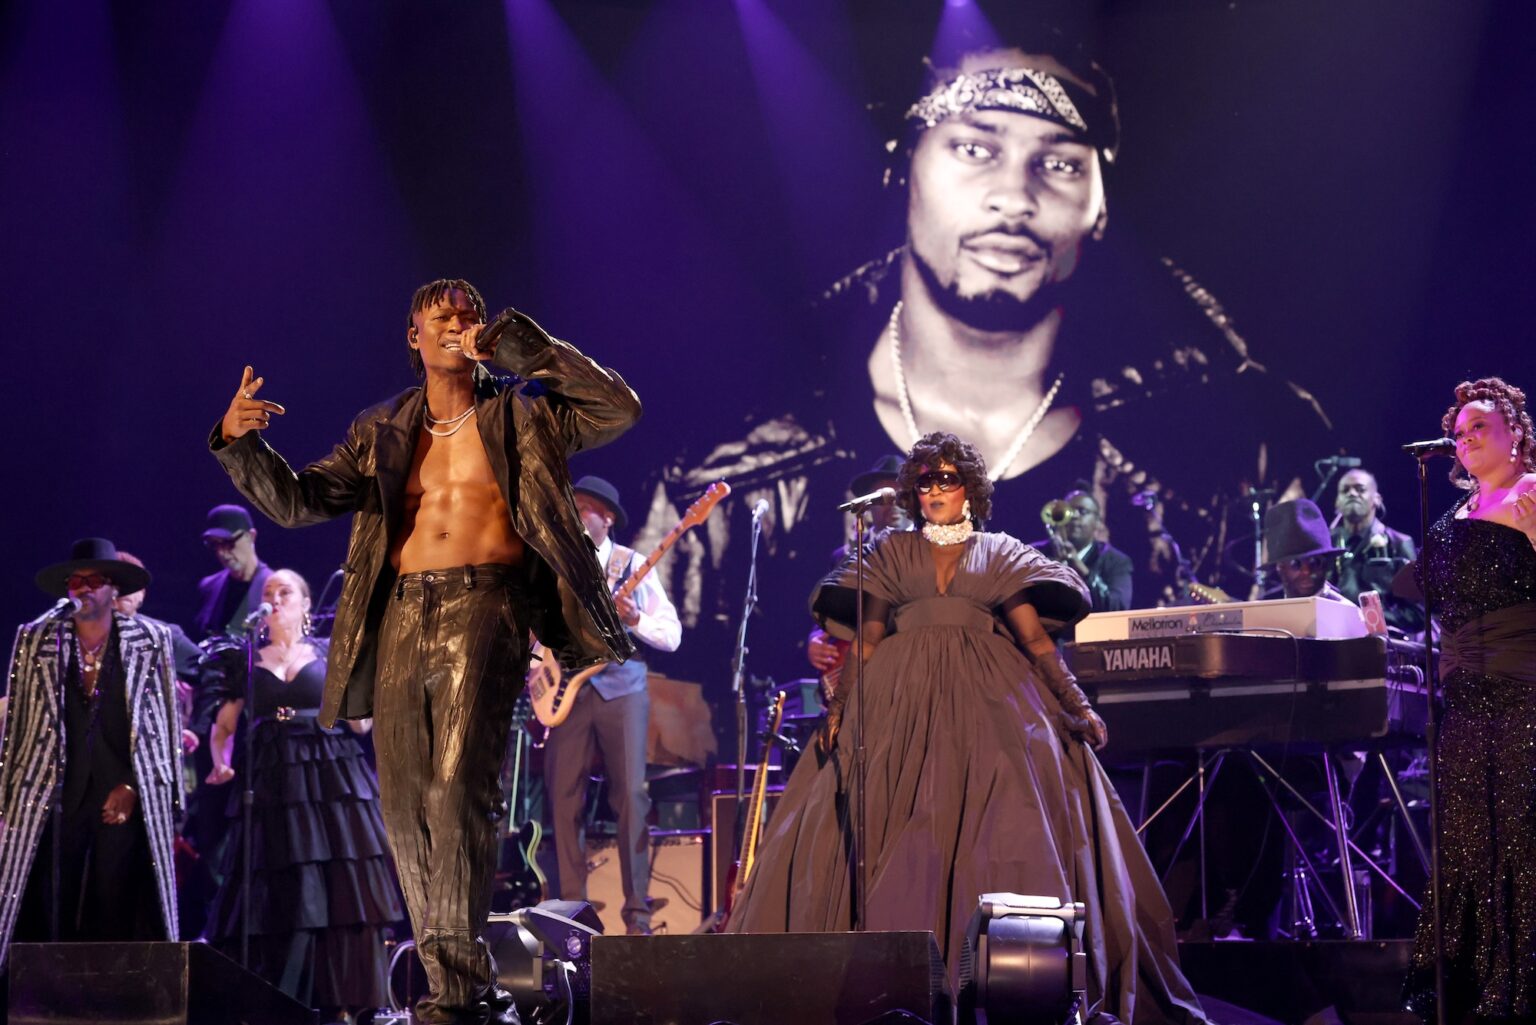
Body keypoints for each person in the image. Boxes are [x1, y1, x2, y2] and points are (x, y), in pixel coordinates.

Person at [639, 27, 1333, 684]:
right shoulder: (731, 471)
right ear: (902, 164)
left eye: (1059, 162)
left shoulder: (1230, 458)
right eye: (975, 148)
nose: (1013, 197)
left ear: (1101, 204)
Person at [208, 278, 638, 1025]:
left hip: (488, 602)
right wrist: (241, 443)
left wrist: (522, 348)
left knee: (455, 791)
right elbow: (298, 500)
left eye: (469, 315)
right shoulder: (382, 428)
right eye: (441, 316)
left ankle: (459, 992)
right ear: (414, 336)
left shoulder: (521, 413)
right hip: (404, 614)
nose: (457, 324)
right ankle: (456, 988)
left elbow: (617, 407)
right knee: (406, 808)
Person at [727, 432, 1208, 1024]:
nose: (935, 491)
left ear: (971, 491)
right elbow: (867, 642)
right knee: (892, 824)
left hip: (991, 701)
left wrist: (1077, 704)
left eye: (947, 479)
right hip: (898, 706)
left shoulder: (1000, 553)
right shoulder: (889, 551)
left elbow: (1034, 640)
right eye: (924, 481)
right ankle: (888, 983)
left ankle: (1009, 981)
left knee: (1007, 814)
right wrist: (839, 710)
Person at [201, 569, 402, 1018]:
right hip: (272, 775)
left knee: (338, 880)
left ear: (306, 604)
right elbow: (225, 726)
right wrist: (220, 761)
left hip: (330, 773)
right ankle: (275, 996)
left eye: (285, 591)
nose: (274, 598)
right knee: (278, 878)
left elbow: (360, 724)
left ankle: (343, 1001)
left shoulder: (329, 652)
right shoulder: (247, 657)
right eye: (269, 592)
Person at [1404, 377, 1536, 1023]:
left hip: (1521, 690)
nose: (1464, 437)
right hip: (1463, 701)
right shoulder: (1450, 517)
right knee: (1465, 842)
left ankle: (1520, 986)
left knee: (1518, 833)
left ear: (1517, 433)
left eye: (1480, 425)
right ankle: (1475, 986)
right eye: (1459, 431)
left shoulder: (1531, 495)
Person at [0, 538, 182, 966]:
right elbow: (21, 722)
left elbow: (162, 724)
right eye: (75, 581)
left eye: (93, 580)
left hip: (119, 786)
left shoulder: (151, 640)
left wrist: (137, 786)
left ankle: (114, 989)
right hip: (53, 789)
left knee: (113, 892)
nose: (82, 588)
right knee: (47, 895)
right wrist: (9, 797)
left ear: (113, 588)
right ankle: (48, 993)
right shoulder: (38, 638)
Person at [543, 477, 680, 935]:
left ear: (607, 520)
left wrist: (635, 618)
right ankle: (573, 917)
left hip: (621, 688)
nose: (576, 516)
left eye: (585, 509)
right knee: (563, 801)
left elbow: (671, 634)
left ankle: (637, 914)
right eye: (573, 507)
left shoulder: (632, 565)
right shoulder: (555, 566)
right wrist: (537, 671)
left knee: (631, 798)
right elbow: (534, 631)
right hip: (568, 694)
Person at [806, 454, 909, 690]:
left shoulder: (930, 551)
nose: (893, 504)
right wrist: (815, 641)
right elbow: (826, 613)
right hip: (855, 681)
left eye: (900, 495)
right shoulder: (843, 556)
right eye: (883, 496)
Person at [1330, 468, 1422, 632]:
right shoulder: (1328, 543)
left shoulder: (1399, 543)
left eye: (1360, 489)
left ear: (1377, 499)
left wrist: (1373, 619)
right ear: (1337, 502)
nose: (1352, 493)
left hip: (1384, 644)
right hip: (1335, 639)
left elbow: (1418, 612)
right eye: (1345, 490)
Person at [1035, 488, 1133, 613]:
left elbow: (1116, 607)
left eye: (1082, 511)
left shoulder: (1117, 561)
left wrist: (1078, 566)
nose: (1074, 516)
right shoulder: (1035, 553)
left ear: (1097, 523)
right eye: (1069, 511)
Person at [192, 504, 272, 642]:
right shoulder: (208, 586)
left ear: (251, 536)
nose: (221, 552)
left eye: (228, 542)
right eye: (214, 544)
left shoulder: (275, 588)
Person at [1261, 499, 1351, 602]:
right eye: (1295, 564)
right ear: (1280, 567)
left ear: (1326, 564)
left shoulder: (1345, 612)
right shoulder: (1264, 610)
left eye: (1315, 562)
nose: (1306, 571)